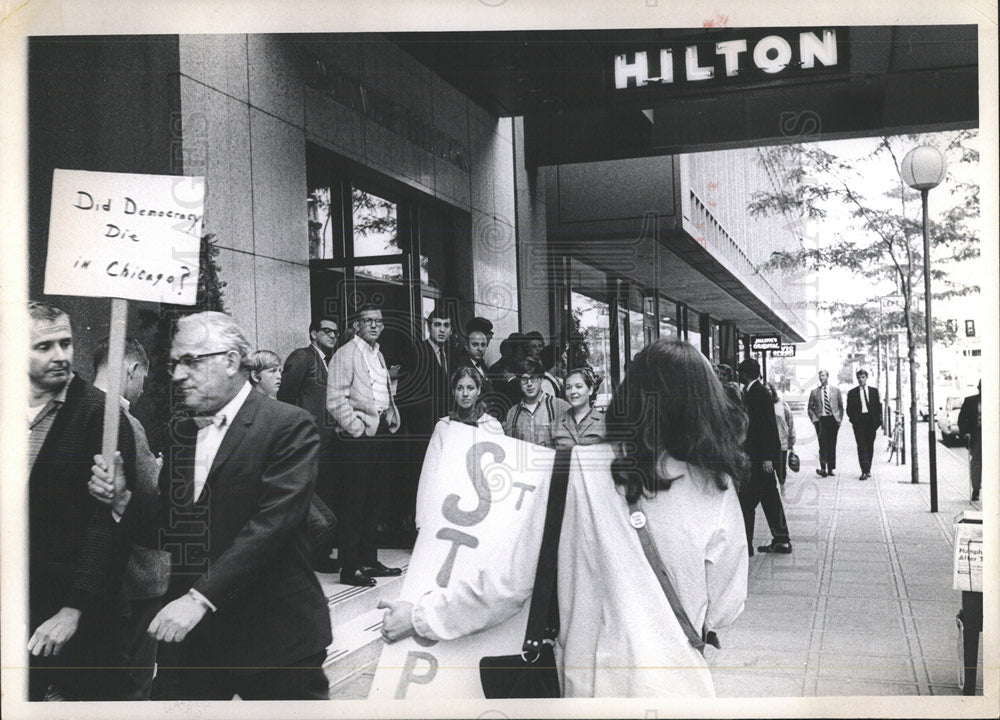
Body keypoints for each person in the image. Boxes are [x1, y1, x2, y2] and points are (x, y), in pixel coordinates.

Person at [379, 340, 748, 697]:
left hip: (591, 688)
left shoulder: (573, 470)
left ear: (629, 397)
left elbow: (508, 583)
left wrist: (419, 616)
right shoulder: (717, 486)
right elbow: (726, 607)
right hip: (680, 688)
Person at [89, 311, 332, 700]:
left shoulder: (289, 425)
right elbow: (170, 527)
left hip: (275, 638)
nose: (178, 375)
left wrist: (199, 599)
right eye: (173, 364)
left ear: (232, 361)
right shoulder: (183, 433)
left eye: (191, 361)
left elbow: (272, 525)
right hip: (192, 647)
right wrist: (122, 501)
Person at [27, 302, 137, 701]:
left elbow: (106, 522)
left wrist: (74, 608)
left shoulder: (100, 416)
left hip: (83, 617)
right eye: (44, 346)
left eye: (66, 343)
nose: (60, 355)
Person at [92, 336, 170, 701]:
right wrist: (159, 470)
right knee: (137, 678)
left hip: (94, 576)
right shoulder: (125, 422)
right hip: (138, 573)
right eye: (143, 379)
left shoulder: (77, 413)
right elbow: (149, 495)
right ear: (132, 370)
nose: (141, 389)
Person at [326, 304, 403, 587]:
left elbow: (381, 389)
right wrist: (357, 428)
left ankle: (369, 559)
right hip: (357, 437)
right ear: (356, 326)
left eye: (378, 322)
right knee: (354, 502)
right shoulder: (345, 354)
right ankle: (350, 567)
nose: (374, 325)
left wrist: (390, 416)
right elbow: (334, 399)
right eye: (368, 321)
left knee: (375, 500)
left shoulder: (378, 353)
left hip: (380, 431)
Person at [276, 317, 341, 573]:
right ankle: (314, 555)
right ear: (313, 333)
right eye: (327, 331)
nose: (333, 336)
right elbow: (286, 397)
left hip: (325, 442)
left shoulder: (328, 363)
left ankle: (321, 552)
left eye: (336, 332)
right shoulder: (303, 357)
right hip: (305, 441)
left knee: (324, 496)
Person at [412, 365, 504, 531]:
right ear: (453, 392)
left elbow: (500, 471)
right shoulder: (444, 427)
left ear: (479, 390)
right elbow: (429, 474)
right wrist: (422, 519)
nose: (465, 394)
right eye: (460, 388)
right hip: (449, 502)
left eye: (470, 388)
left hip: (482, 504)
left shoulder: (491, 425)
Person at [738, 358, 792, 555]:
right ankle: (782, 540)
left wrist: (767, 458)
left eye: (740, 372)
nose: (739, 376)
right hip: (761, 458)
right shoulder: (756, 392)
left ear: (744, 374)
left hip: (759, 459)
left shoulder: (756, 394)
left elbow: (766, 428)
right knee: (770, 499)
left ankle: (747, 546)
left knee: (746, 502)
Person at [503, 357, 570, 447]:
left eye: (533, 378)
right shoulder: (512, 413)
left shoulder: (561, 407)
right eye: (524, 379)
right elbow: (510, 447)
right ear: (519, 383)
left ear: (541, 379)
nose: (529, 384)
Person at [552, 367, 605, 449]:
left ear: (590, 390)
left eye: (579, 386)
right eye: (568, 387)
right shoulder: (555, 425)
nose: (573, 392)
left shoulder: (604, 423)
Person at [845, 369, 882, 480]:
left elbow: (878, 407)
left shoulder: (874, 391)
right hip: (859, 422)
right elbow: (849, 409)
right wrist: (854, 420)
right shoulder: (852, 393)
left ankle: (868, 469)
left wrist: (877, 422)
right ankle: (863, 471)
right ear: (857, 379)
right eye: (859, 378)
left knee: (869, 445)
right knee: (861, 446)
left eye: (863, 377)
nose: (861, 380)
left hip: (871, 422)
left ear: (866, 378)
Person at [807, 370, 844, 477]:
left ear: (827, 376)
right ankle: (823, 468)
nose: (821, 378)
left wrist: (839, 420)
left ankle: (831, 468)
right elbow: (810, 408)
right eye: (820, 376)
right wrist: (815, 420)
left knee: (832, 444)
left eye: (823, 376)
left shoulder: (836, 390)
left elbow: (841, 407)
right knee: (822, 444)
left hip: (832, 420)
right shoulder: (814, 392)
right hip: (821, 420)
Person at [767, 382, 795, 486]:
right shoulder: (762, 404)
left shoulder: (781, 404)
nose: (767, 392)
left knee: (781, 467)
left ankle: (782, 485)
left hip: (781, 439)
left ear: (773, 391)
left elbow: (790, 420)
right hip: (769, 441)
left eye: (769, 390)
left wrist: (792, 439)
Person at [958, 380, 982, 502]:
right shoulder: (970, 401)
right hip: (977, 434)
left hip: (992, 434)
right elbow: (962, 419)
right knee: (977, 462)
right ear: (978, 388)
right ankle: (976, 488)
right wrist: (966, 433)